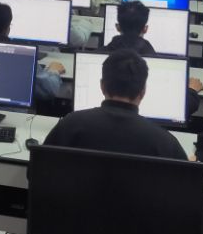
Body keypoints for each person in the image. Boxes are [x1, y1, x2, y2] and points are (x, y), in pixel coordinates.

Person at [43, 50, 188, 159]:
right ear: (143, 92)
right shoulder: (165, 143)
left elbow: (38, 170)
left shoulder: (70, 125)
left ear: (102, 86)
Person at [102, 0, 203, 115]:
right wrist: (192, 91)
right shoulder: (158, 64)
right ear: (145, 29)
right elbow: (177, 106)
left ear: (117, 27)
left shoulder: (100, 55)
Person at [0, 0, 68, 101]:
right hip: (13, 110)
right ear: (7, 29)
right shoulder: (22, 57)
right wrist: (54, 71)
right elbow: (48, 90)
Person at [21, 0, 92, 47]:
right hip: (48, 51)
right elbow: (78, 40)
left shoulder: (15, 3)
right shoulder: (57, 10)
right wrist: (86, 24)